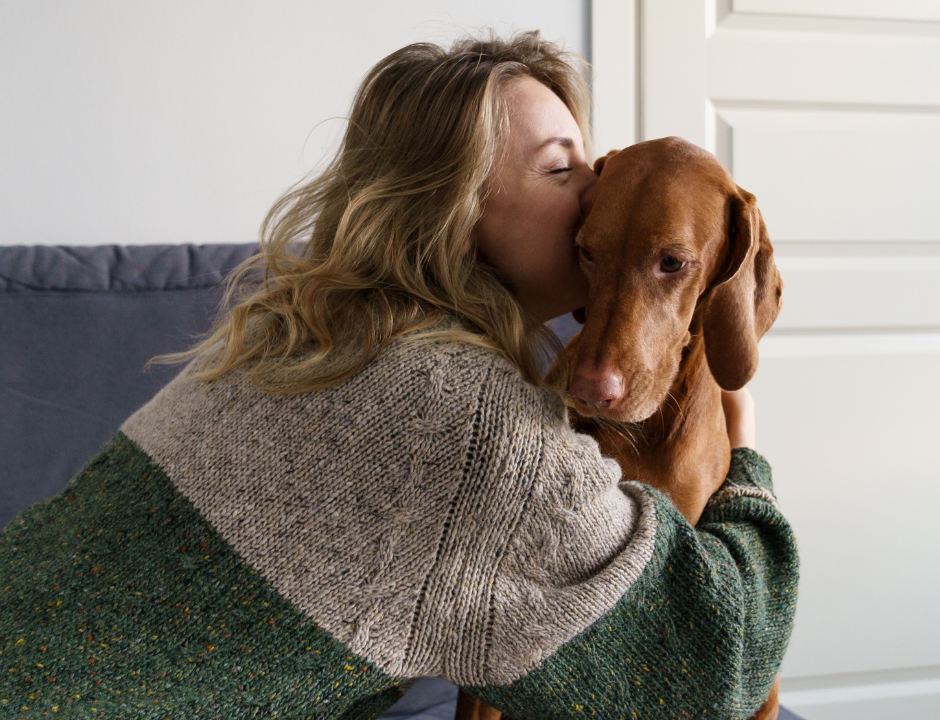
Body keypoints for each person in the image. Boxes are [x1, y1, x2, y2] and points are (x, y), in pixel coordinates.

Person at [0, 32, 798, 719]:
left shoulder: (296, 327)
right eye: (561, 170)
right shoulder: (464, 423)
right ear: (452, 208)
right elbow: (706, 679)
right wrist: (747, 462)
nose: (597, 194)